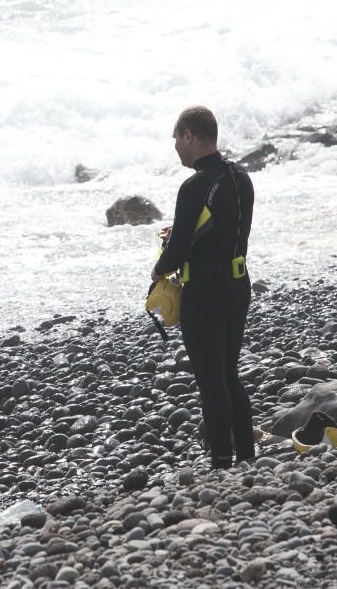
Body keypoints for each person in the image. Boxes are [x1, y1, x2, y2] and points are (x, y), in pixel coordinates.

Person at [150, 106, 255, 469]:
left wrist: (157, 269)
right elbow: (224, 230)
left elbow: (178, 251)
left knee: (211, 381)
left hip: (205, 292)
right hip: (238, 284)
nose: (176, 147)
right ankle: (246, 455)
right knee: (228, 374)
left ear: (189, 136)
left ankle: (222, 462)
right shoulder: (241, 177)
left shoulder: (195, 185)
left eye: (177, 139)